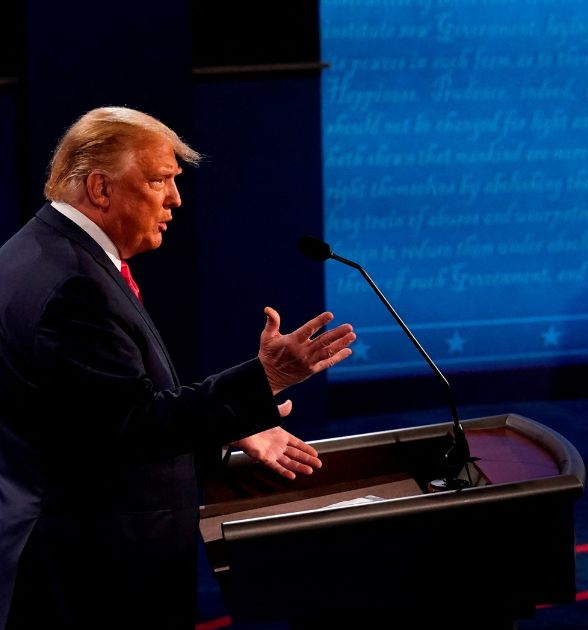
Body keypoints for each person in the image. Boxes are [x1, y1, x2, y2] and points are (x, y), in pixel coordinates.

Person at [0, 107, 356, 628]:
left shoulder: (37, 251)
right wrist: (266, 380)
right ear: (100, 188)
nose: (175, 199)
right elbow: (131, 426)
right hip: (92, 575)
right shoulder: (73, 284)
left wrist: (230, 429)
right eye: (159, 180)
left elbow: (88, 422)